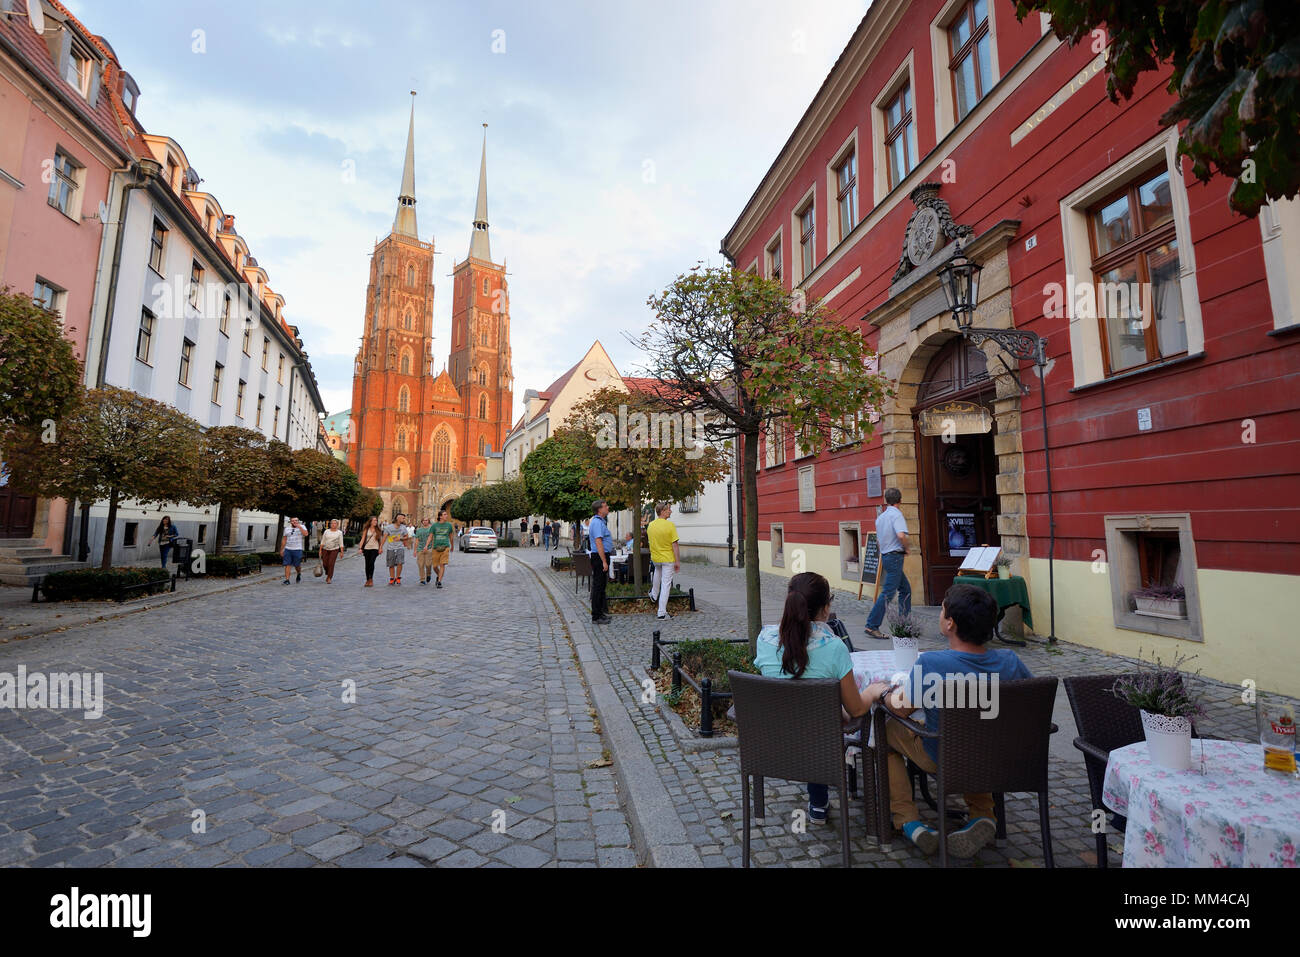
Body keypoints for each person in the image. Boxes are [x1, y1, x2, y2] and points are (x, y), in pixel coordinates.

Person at [880, 583, 1033, 857]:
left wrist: (884, 693)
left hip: (944, 756)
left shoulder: (933, 664)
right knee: (977, 736)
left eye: (942, 610)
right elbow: (1028, 705)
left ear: (950, 623)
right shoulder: (1010, 661)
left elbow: (900, 709)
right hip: (999, 756)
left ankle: (907, 820)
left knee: (884, 731)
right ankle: (983, 814)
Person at [754, 572, 892, 824]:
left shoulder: (764, 640)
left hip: (773, 739)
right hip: (819, 740)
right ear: (826, 608)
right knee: (822, 720)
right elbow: (857, 709)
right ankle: (823, 805)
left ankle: (818, 803)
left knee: (809, 716)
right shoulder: (834, 647)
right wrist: (871, 692)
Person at [864, 487, 913, 639]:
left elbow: (878, 542)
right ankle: (872, 625)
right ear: (900, 500)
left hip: (886, 556)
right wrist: (907, 547)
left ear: (886, 500)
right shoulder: (896, 515)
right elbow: (900, 535)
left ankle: (904, 624)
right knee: (888, 593)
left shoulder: (881, 518)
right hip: (895, 556)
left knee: (905, 590)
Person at [646, 502, 681, 621]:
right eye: (669, 510)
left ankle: (654, 594)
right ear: (662, 511)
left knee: (657, 572)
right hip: (668, 558)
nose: (670, 511)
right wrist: (677, 561)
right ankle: (661, 612)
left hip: (656, 557)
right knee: (666, 585)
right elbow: (675, 545)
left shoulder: (650, 525)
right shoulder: (670, 525)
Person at [588, 500, 614, 623]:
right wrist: (604, 561)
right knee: (598, 586)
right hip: (599, 557)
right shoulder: (597, 523)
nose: (607, 507)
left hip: (601, 556)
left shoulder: (600, 522)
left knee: (602, 586)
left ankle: (600, 613)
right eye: (605, 506)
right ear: (599, 509)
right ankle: (596, 616)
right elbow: (599, 542)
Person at [382, 513, 414, 585]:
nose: (404, 519)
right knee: (391, 564)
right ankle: (392, 578)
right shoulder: (388, 527)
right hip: (390, 548)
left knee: (400, 563)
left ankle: (398, 577)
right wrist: (381, 547)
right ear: (398, 518)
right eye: (403, 518)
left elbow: (407, 537)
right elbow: (384, 538)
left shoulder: (403, 527)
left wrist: (401, 538)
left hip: (400, 547)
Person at [428, 508, 454, 588]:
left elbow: (451, 537)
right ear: (440, 516)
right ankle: (439, 576)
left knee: (442, 564)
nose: (447, 516)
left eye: (446, 514)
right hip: (436, 547)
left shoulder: (449, 525)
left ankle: (439, 581)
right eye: (445, 514)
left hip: (445, 547)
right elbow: (430, 536)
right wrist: (426, 545)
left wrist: (452, 546)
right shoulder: (434, 526)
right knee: (435, 566)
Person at [281, 517, 306, 584]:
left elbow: (305, 534)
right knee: (287, 564)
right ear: (290, 522)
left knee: (297, 565)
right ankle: (287, 580)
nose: (295, 522)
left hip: (297, 549)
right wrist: (282, 549)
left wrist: (299, 527)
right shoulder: (287, 529)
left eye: (296, 520)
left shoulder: (302, 526)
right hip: (288, 549)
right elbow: (284, 539)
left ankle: (298, 573)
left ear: (298, 521)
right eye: (293, 521)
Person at [319, 519, 345, 583]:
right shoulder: (326, 531)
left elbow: (341, 543)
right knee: (325, 564)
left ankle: (329, 577)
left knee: (331, 564)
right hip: (325, 549)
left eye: (335, 523)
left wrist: (341, 552)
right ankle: (328, 572)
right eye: (332, 523)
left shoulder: (339, 532)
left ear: (337, 525)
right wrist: (320, 550)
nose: (333, 525)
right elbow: (323, 541)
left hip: (334, 550)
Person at [359, 517, 382, 587]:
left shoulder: (378, 529)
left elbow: (380, 540)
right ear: (371, 521)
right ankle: (367, 580)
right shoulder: (366, 529)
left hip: (375, 548)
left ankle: (371, 579)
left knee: (371, 563)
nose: (376, 521)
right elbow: (363, 539)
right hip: (367, 548)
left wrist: (380, 548)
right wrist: (360, 548)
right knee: (367, 564)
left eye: (376, 520)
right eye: (374, 520)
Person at [413, 517, 435, 585]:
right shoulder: (419, 530)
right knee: (420, 565)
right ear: (422, 522)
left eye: (426, 520)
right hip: (420, 549)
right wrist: (415, 550)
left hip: (429, 549)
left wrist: (432, 548)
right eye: (423, 520)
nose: (425, 522)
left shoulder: (431, 529)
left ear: (428, 521)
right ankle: (422, 579)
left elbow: (433, 539)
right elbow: (416, 540)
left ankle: (428, 574)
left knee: (428, 564)